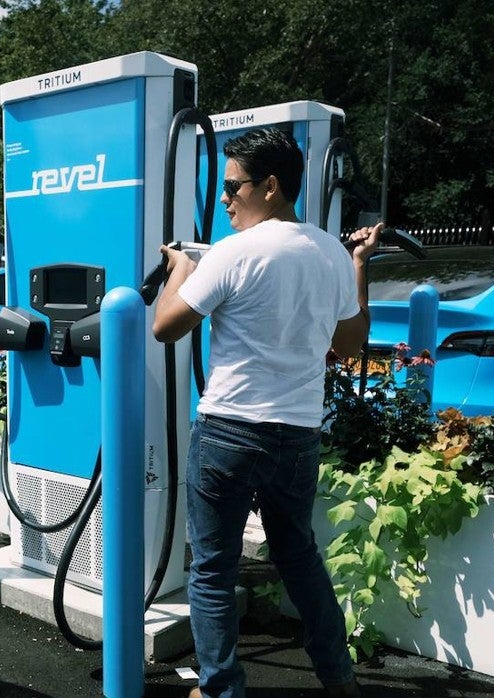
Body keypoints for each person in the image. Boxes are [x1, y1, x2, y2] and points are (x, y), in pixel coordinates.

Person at [152, 126, 380, 698]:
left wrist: (181, 267)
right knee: (298, 555)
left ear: (271, 186)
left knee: (213, 567)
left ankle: (221, 689)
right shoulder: (328, 249)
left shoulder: (231, 252)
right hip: (297, 436)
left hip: (229, 430)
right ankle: (339, 679)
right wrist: (357, 263)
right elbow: (351, 343)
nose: (225, 198)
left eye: (233, 187)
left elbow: (165, 326)